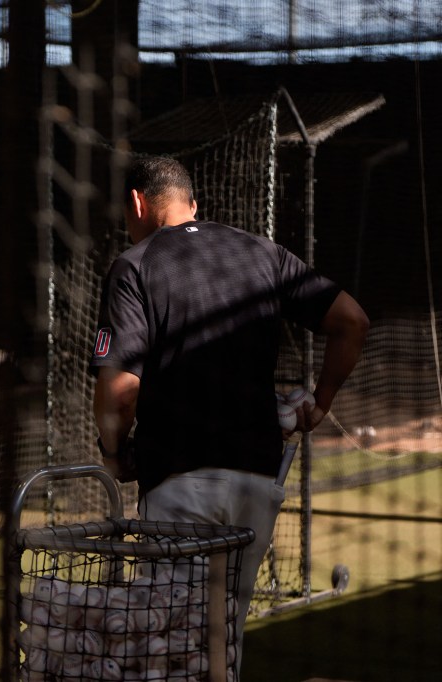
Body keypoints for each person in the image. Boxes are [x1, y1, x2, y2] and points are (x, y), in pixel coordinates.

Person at [90, 157, 368, 675]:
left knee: (173, 649)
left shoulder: (136, 264)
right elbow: (351, 320)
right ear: (193, 203)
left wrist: (112, 454)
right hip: (255, 488)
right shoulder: (263, 253)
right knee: (223, 645)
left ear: (136, 203)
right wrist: (321, 401)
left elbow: (121, 391)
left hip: (180, 489)